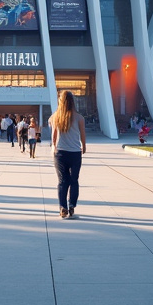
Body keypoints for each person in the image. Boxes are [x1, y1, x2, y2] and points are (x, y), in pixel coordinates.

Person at [49, 89, 87, 219]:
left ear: (61, 101)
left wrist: (53, 148)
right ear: (72, 102)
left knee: (62, 181)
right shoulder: (79, 118)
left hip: (60, 153)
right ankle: (72, 205)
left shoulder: (55, 117)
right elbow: (82, 134)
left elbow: (53, 136)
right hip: (75, 152)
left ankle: (63, 207)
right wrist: (84, 146)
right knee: (74, 180)